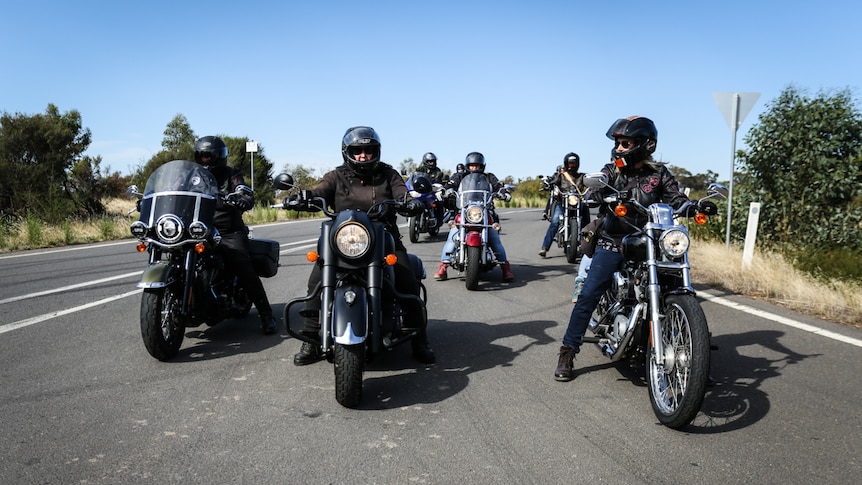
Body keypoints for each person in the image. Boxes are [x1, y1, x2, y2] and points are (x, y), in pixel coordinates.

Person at [554, 116, 692, 381]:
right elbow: (593, 191)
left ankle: (693, 355)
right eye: (617, 143)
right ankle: (568, 351)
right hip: (614, 241)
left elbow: (677, 200)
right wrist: (597, 194)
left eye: (624, 143)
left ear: (645, 144)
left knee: (675, 289)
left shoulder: (659, 174)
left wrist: (694, 205)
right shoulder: (611, 171)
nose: (618, 148)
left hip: (650, 244)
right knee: (588, 295)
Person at [291, 126, 435, 366]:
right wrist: (303, 197)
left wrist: (409, 202)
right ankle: (310, 338)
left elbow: (402, 193)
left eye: (368, 150)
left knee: (407, 279)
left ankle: (419, 340)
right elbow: (319, 191)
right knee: (316, 280)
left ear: (376, 151)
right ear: (347, 152)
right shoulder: (336, 176)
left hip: (383, 235)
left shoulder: (388, 174)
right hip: (344, 238)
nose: (363, 155)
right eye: (357, 150)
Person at [193, 136, 277, 335]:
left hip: (227, 231)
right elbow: (175, 190)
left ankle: (266, 315)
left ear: (219, 157)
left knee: (243, 265)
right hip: (197, 229)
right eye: (202, 156)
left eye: (209, 156)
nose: (205, 160)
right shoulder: (192, 177)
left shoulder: (232, 174)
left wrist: (243, 198)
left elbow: (242, 189)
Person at [433, 152, 515, 282]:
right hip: (465, 210)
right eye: (471, 166)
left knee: (495, 240)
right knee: (453, 237)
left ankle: (505, 268)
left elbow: (499, 186)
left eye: (477, 166)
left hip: (484, 211)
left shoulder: (489, 177)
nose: (474, 168)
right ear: (467, 166)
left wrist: (503, 192)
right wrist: (443, 190)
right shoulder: (460, 176)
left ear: (482, 166)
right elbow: (451, 184)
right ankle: (443, 267)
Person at [539, 152, 589, 258]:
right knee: (555, 221)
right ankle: (544, 247)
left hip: (577, 202)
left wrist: (594, 187)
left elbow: (590, 185)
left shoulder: (582, 176)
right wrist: (548, 183)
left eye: (574, 164)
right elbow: (553, 180)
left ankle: (588, 245)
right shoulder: (560, 176)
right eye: (570, 164)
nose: (572, 166)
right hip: (563, 203)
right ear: (566, 164)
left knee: (586, 220)